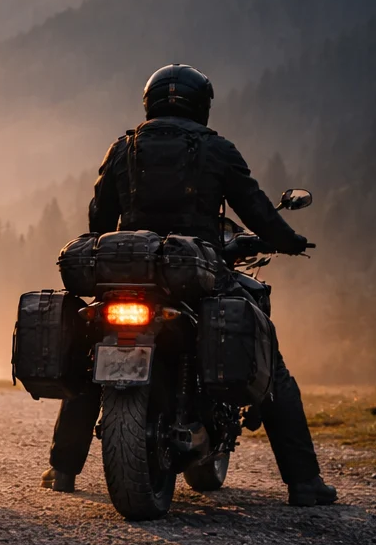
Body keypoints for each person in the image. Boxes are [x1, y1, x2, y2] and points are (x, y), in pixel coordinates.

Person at [42, 63, 336, 506]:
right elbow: (255, 209)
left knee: (91, 358)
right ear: (202, 106)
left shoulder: (125, 147)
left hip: (128, 274)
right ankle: (305, 484)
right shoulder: (217, 150)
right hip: (195, 272)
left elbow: (99, 220)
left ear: (150, 102)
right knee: (270, 363)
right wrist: (290, 241)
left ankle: (63, 470)